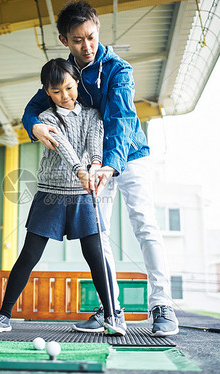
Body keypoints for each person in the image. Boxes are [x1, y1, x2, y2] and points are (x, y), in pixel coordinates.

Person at [21, 1, 178, 336]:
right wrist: (33, 125)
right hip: (91, 164)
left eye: (91, 37)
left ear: (98, 30)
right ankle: (112, 310)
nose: (86, 46)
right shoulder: (67, 72)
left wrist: (109, 165)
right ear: (65, 40)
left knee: (145, 225)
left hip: (128, 156)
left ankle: (162, 305)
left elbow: (121, 121)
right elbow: (34, 106)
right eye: (78, 40)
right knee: (99, 234)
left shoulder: (119, 69)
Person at [0, 58, 126, 336]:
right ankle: (3, 315)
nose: (65, 96)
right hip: (51, 194)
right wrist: (80, 172)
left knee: (96, 255)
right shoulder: (46, 118)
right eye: (57, 91)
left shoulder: (93, 114)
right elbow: (65, 147)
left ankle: (112, 317)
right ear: (47, 91)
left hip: (82, 196)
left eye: (70, 88)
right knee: (29, 255)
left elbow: (94, 144)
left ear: (76, 84)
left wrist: (95, 166)